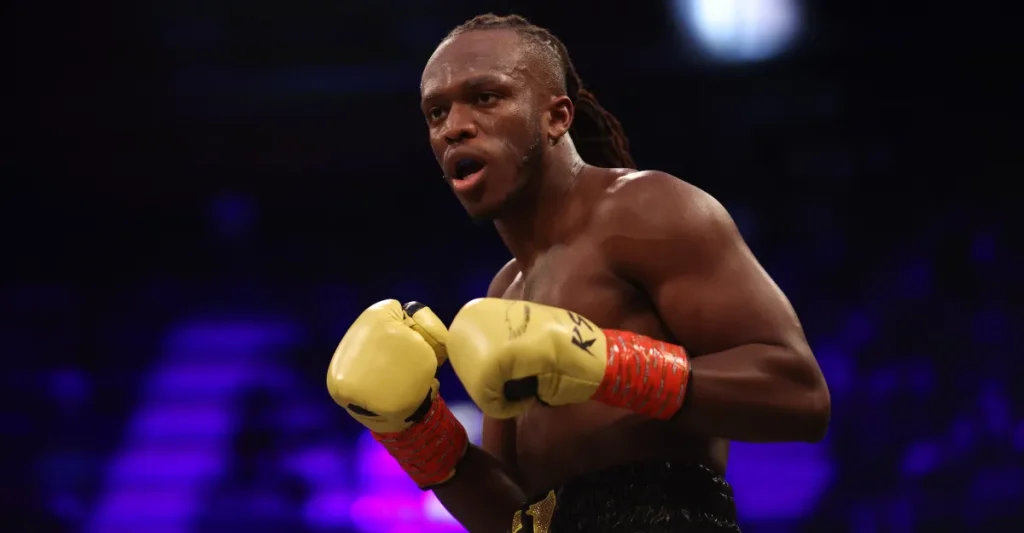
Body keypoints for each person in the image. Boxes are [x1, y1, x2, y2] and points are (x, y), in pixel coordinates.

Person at [327, 13, 831, 533]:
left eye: (485, 97)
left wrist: (602, 361)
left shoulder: (645, 209)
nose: (454, 126)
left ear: (557, 117)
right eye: (436, 112)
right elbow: (519, 522)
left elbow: (799, 395)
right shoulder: (507, 294)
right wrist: (419, 431)